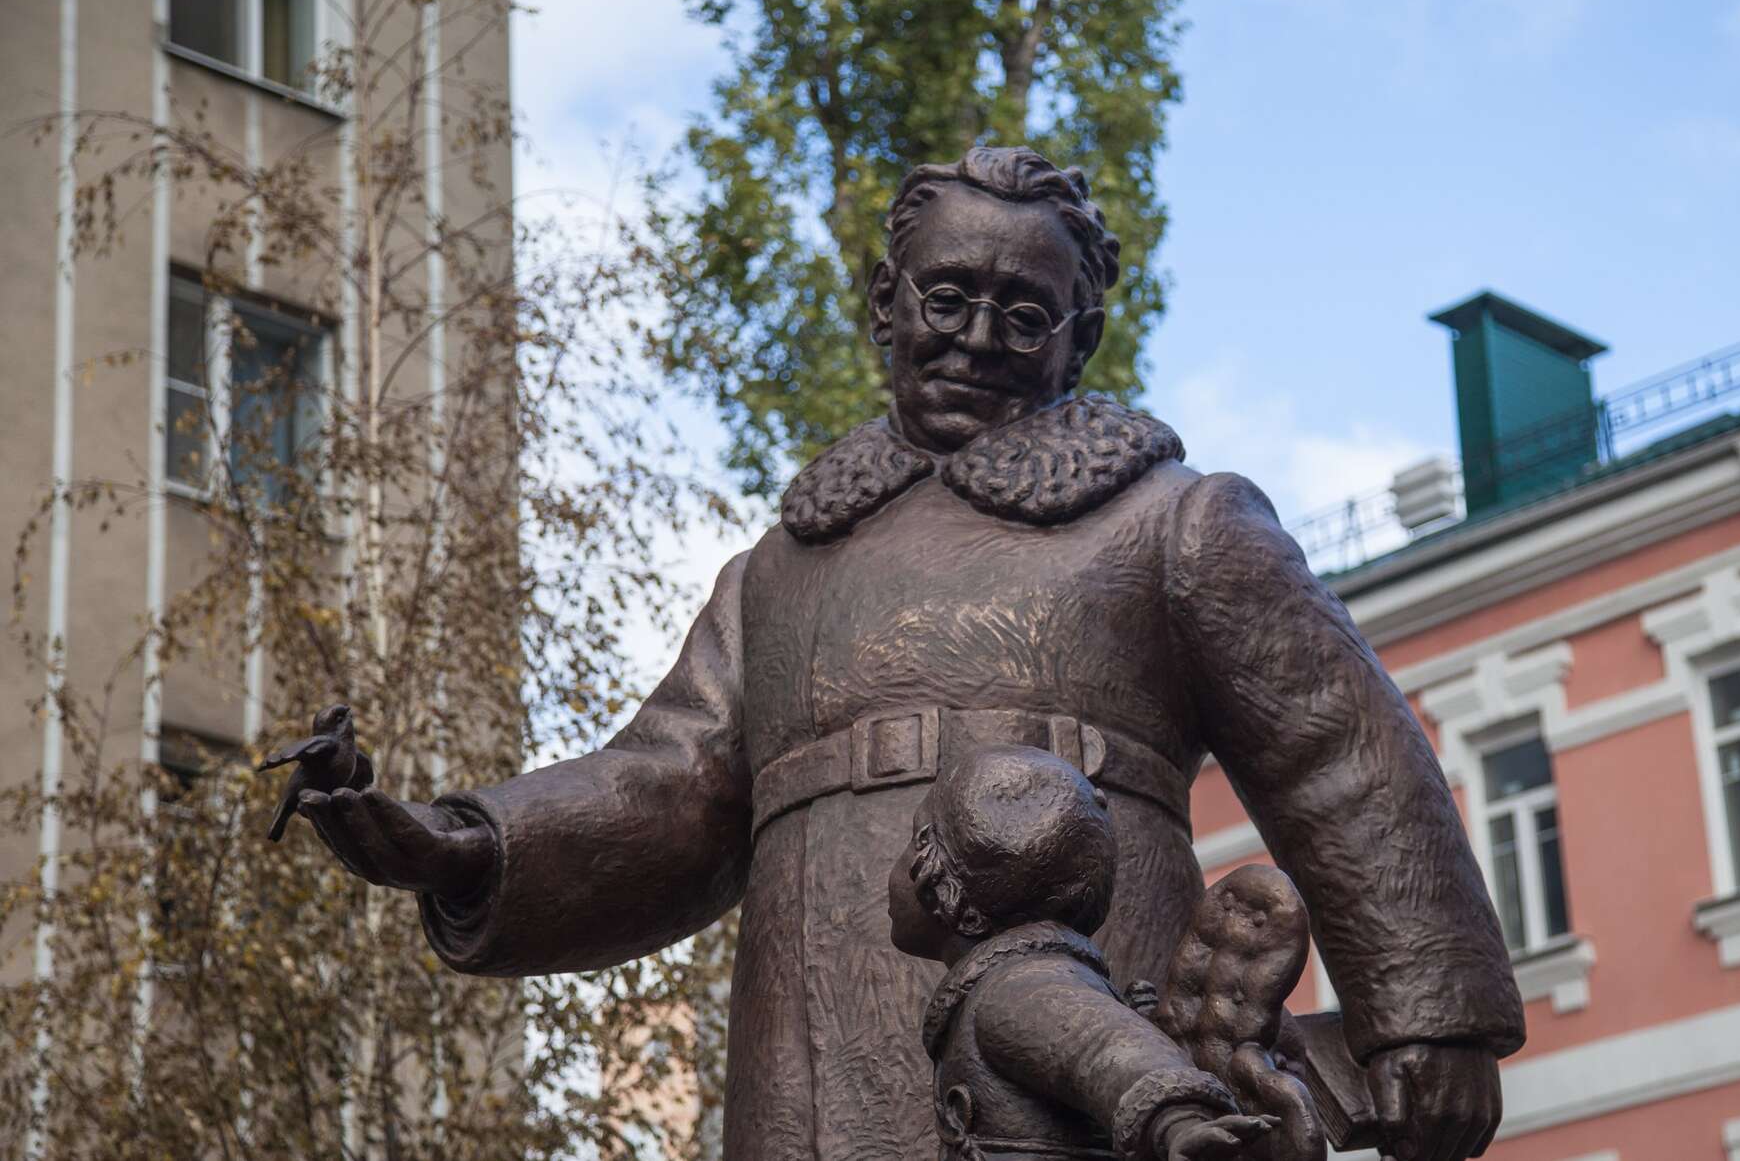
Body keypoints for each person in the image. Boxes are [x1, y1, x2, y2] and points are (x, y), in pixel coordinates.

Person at [290, 146, 1524, 1161]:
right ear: (887, 303)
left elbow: (1339, 755)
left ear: (1076, 337)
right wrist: (460, 840)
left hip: (1084, 1012)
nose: (979, 334)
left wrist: (1431, 1016)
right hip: (808, 1034)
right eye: (946, 297)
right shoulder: (780, 572)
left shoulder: (1172, 522)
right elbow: (664, 786)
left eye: (1024, 312)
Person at [888, 744, 1277, 1161]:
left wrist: (1177, 1123)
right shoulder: (1009, 983)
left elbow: (1106, 1049)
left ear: (948, 893)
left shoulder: (1017, 990)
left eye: (915, 841)